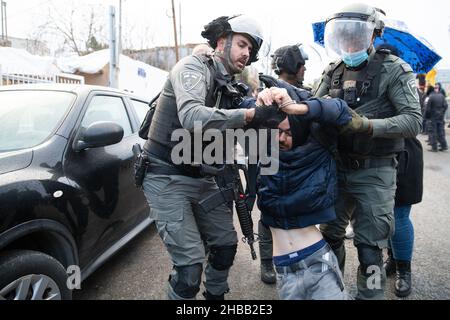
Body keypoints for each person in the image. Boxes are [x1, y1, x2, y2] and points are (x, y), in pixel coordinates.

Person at [140, 15, 278, 300]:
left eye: (250, 50)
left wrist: (270, 99)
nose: (246, 53)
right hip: (165, 175)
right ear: (221, 41)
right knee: (189, 270)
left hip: (203, 179)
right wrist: (250, 115)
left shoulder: (228, 85)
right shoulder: (192, 67)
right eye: (241, 44)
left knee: (225, 247)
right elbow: (192, 116)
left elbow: (246, 110)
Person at [314, 3, 422, 299]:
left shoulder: (394, 70)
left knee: (370, 248)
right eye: (344, 34)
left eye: (356, 34)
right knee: (329, 237)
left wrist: (367, 125)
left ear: (374, 34)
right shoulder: (331, 71)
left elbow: (413, 120)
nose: (349, 41)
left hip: (376, 169)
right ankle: (330, 290)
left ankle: (370, 295)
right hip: (336, 168)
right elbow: (314, 107)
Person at [255, 86, 363, 299]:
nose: (281, 139)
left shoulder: (316, 149)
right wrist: (260, 102)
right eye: (277, 132)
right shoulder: (264, 151)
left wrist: (294, 107)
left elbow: (340, 109)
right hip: (285, 272)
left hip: (316, 263)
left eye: (288, 133)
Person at [256, 44, 312, 285]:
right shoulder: (269, 92)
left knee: (298, 208)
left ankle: (294, 255)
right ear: (294, 67)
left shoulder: (304, 92)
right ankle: (267, 261)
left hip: (298, 159)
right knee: (269, 210)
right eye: (302, 65)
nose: (305, 69)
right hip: (272, 158)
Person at [384, 137, 423, 297]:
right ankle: (393, 259)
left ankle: (403, 269)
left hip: (403, 153)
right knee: (384, 215)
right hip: (374, 156)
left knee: (398, 216)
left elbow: (412, 122)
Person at [426, 84, 448, 152]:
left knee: (433, 132)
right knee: (440, 131)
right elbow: (446, 105)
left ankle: (434, 147)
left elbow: (428, 109)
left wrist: (427, 117)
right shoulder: (441, 96)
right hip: (440, 116)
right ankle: (444, 146)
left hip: (433, 116)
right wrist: (442, 112)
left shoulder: (431, 97)